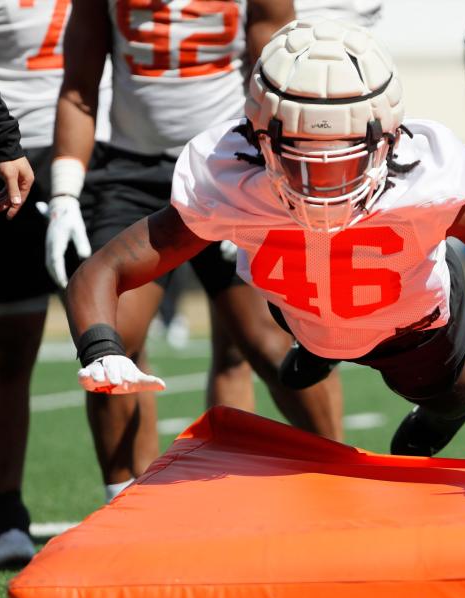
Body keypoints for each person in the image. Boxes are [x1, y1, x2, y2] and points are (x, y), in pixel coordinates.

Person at [65, 18, 465, 460]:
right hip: (298, 309)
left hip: (408, 326)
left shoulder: (429, 176)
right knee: (296, 326)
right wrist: (100, 348)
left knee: (443, 393)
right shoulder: (224, 174)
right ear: (261, 139)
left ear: (388, 139)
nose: (321, 186)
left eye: (342, 163)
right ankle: (315, 346)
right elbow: (102, 271)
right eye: (301, 163)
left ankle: (453, 394)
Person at [47, 0, 342, 503]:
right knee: (112, 342)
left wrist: (267, 182)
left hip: (229, 163)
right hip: (133, 172)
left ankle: (342, 477)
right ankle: (126, 504)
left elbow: (282, 78)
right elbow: (79, 86)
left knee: (272, 345)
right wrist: (63, 193)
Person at [0, 0, 40, 567]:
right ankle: (3, 512)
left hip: (94, 155)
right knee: (2, 351)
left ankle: (126, 503)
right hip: (3, 160)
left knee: (121, 340)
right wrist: (2, 140)